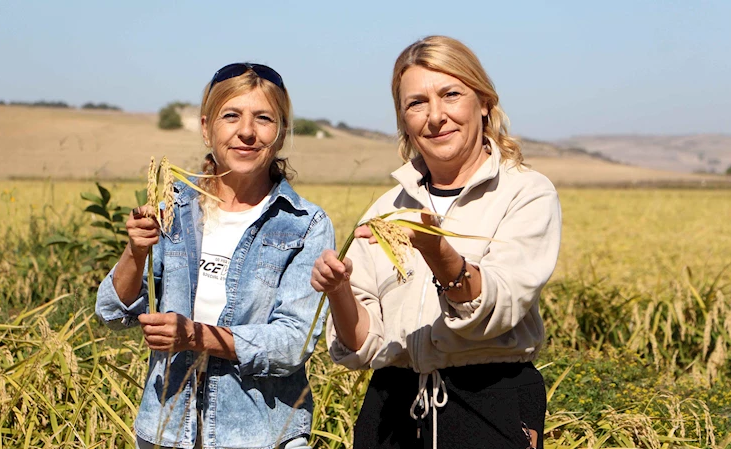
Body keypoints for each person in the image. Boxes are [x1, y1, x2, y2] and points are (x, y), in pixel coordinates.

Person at [311, 36, 561, 449]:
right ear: (403, 119)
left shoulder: (525, 193)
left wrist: (435, 249)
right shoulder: (387, 208)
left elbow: (496, 307)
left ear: (483, 102)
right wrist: (339, 292)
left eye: (451, 94)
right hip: (390, 407)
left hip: (487, 401)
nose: (436, 116)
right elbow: (363, 344)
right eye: (416, 103)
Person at [96, 62, 334, 449]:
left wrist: (196, 336)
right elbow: (111, 312)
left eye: (263, 118)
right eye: (231, 116)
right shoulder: (173, 207)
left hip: (259, 436)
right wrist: (136, 252)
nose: (246, 132)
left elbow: (292, 344)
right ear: (207, 128)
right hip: (166, 432)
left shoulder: (305, 225)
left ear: (281, 133)